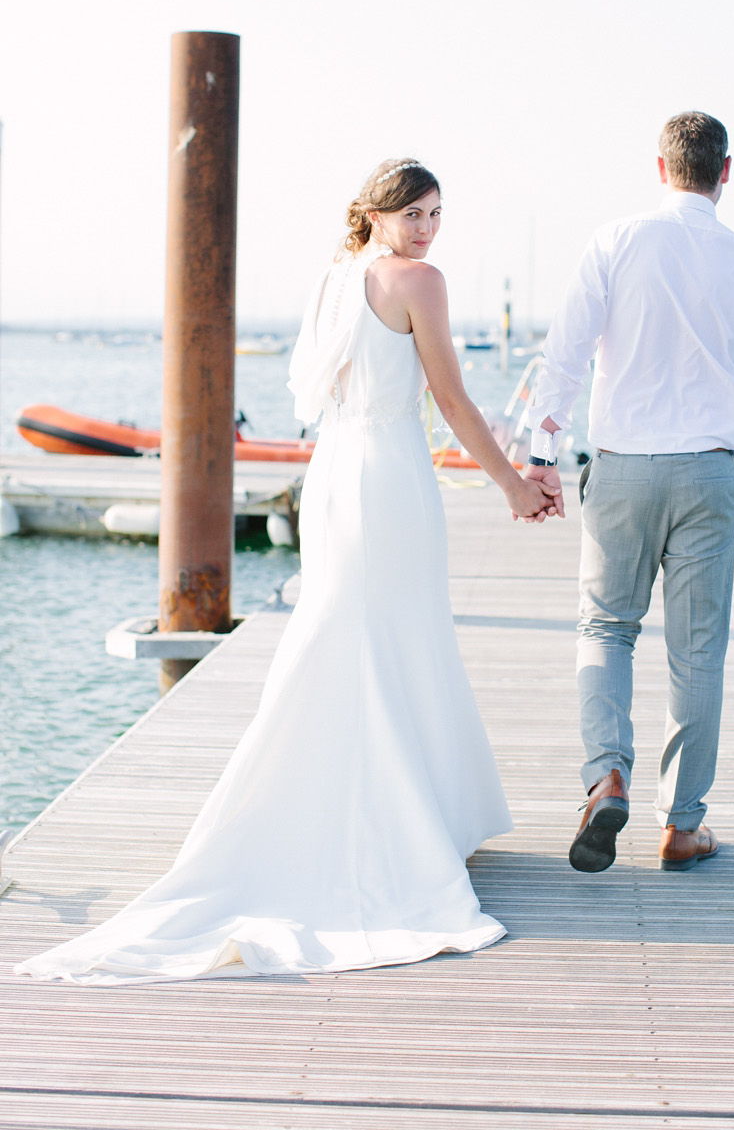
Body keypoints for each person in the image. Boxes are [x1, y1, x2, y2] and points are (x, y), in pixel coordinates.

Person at [15, 159, 554, 984]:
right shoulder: (421, 282)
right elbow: (450, 400)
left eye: (437, 215)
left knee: (355, 632)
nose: (427, 229)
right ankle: (398, 828)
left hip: (336, 474)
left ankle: (386, 814)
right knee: (387, 633)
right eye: (414, 212)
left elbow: (320, 390)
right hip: (386, 474)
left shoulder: (334, 279)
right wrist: (514, 485)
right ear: (375, 212)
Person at [524, 113, 734, 874]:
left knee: (607, 628)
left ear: (661, 167)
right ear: (726, 172)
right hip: (710, 470)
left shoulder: (614, 240)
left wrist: (542, 456)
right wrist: (706, 368)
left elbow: (566, 356)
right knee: (697, 653)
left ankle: (607, 774)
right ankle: (682, 827)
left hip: (624, 466)